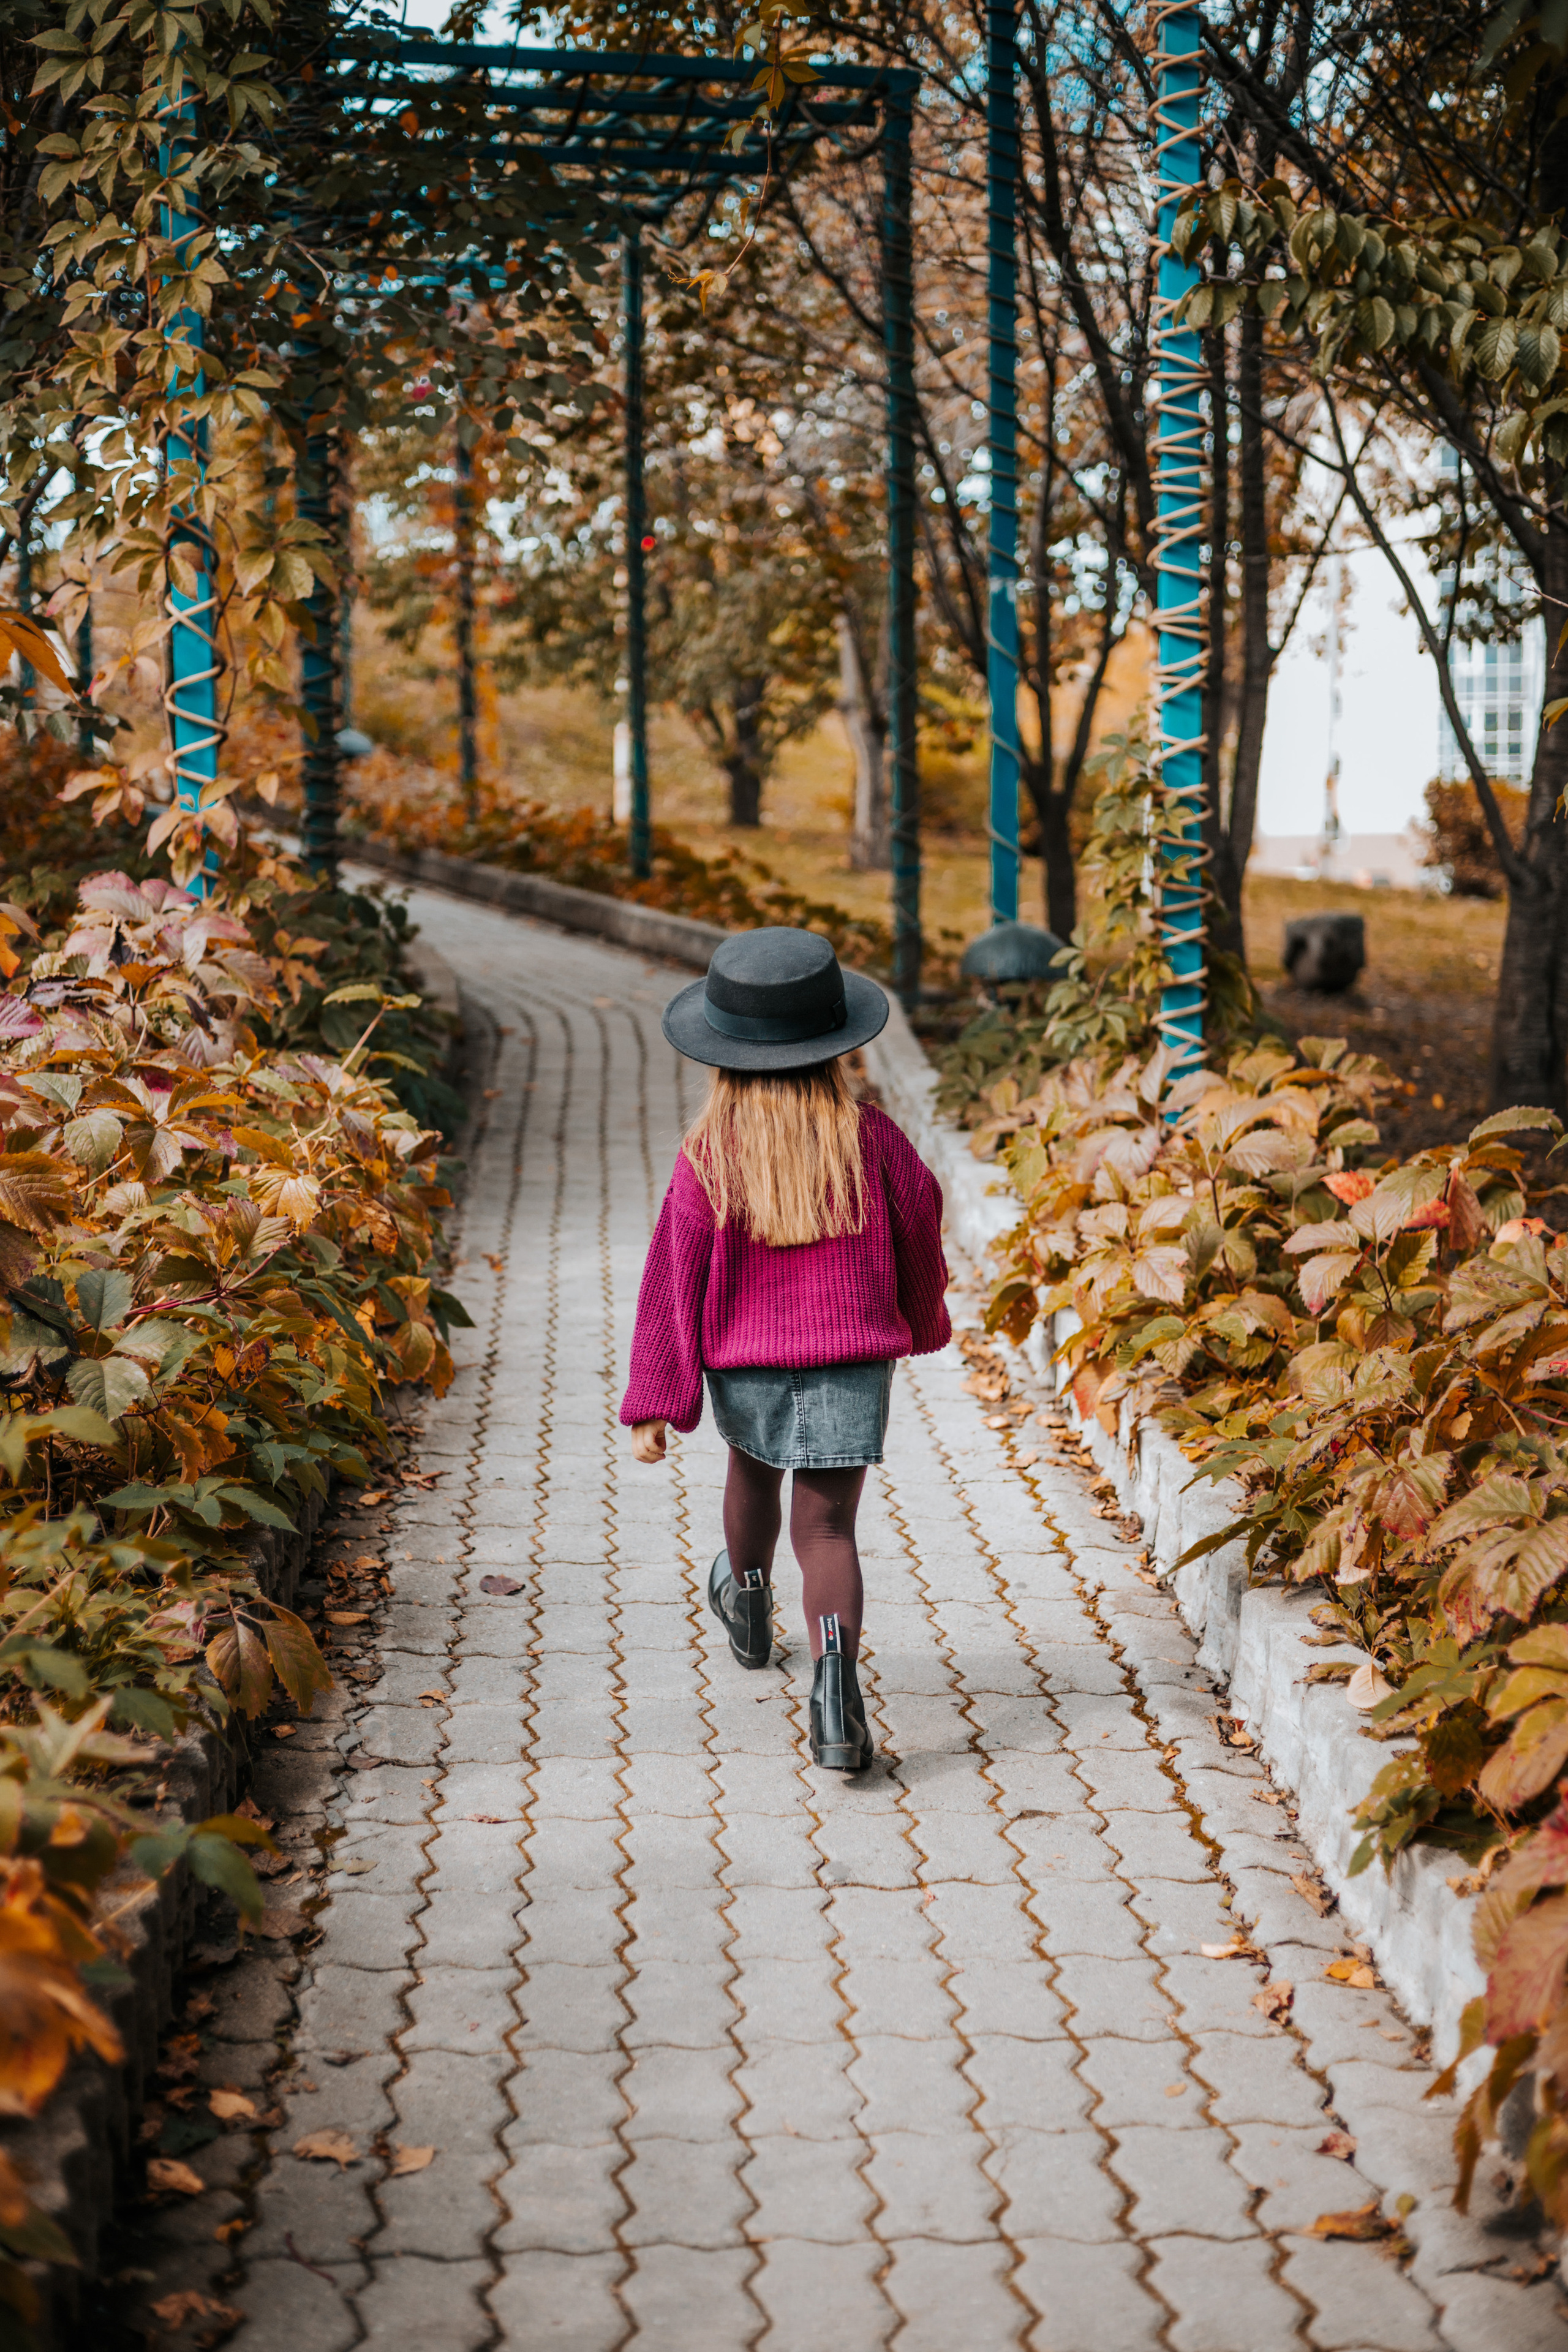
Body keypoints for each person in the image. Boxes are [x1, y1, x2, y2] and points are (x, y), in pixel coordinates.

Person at [620, 927, 951, 1772]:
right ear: (834, 1048)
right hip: (852, 1364)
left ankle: (748, 1606)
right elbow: (920, 1220)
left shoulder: (711, 1158)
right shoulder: (872, 1141)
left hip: (747, 1365)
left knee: (753, 1478)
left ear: (723, 1057)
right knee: (830, 1529)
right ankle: (837, 1698)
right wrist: (919, 1319)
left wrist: (658, 1400)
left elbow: (671, 1277)